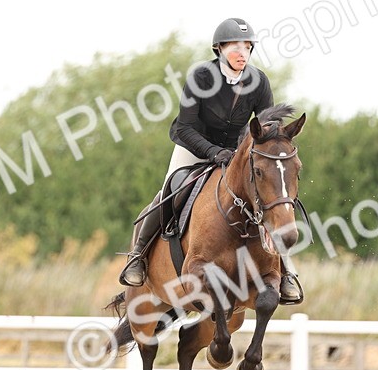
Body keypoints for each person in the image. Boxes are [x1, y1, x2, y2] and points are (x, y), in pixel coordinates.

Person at [118, 17, 303, 304]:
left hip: (237, 154)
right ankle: (138, 257)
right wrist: (213, 152)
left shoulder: (258, 81)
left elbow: (265, 127)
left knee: (272, 198)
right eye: (235, 47)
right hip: (194, 146)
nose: (242, 53)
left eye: (248, 47)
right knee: (170, 189)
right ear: (219, 49)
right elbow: (185, 127)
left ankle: (287, 272)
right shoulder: (201, 77)